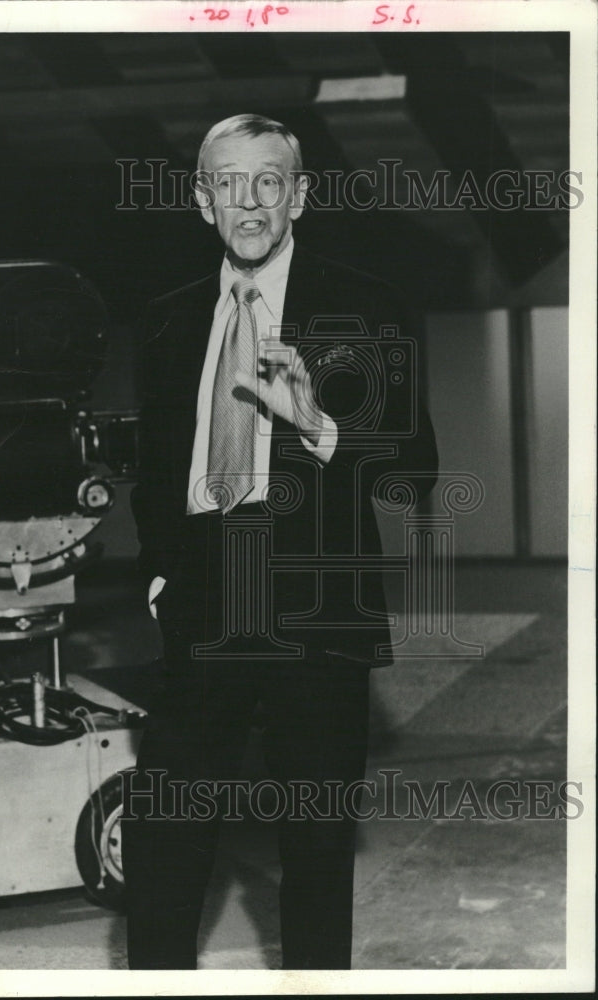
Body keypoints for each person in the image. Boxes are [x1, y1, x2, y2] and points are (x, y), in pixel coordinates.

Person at [123, 113, 438, 970]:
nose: (249, 200)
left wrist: (319, 425)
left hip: (317, 607)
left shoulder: (364, 305)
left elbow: (415, 472)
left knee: (315, 859)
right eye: (229, 181)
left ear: (297, 196)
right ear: (202, 201)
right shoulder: (166, 320)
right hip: (201, 603)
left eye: (269, 180)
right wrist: (160, 574)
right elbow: (153, 467)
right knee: (163, 849)